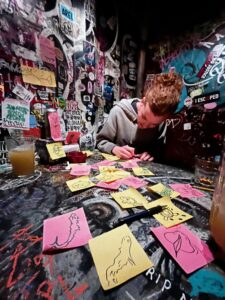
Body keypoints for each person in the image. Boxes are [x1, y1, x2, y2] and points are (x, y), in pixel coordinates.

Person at [96, 70, 183, 160]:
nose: (145, 126)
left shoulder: (162, 122)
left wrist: (152, 153)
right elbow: (100, 141)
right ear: (143, 101)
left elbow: (160, 147)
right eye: (144, 117)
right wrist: (114, 149)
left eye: (153, 125)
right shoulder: (118, 112)